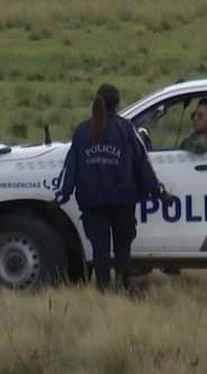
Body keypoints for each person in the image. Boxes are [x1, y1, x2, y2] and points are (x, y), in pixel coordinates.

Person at [56, 83, 165, 291]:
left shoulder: (82, 131)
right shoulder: (126, 130)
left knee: (100, 250)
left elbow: (71, 166)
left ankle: (103, 289)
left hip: (92, 202)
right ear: (117, 104)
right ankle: (123, 287)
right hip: (122, 201)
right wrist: (156, 190)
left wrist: (62, 194)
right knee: (123, 249)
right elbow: (142, 164)